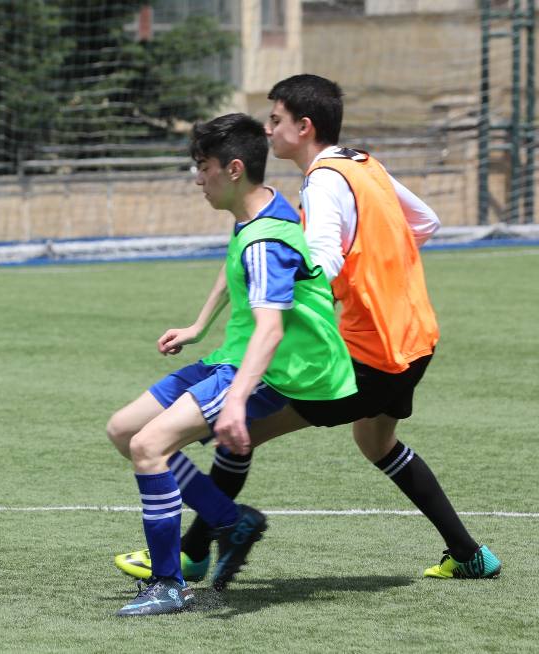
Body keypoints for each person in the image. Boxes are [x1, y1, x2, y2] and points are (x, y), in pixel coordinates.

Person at [114, 74, 500, 584]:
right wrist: (377, 271)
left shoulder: (321, 182)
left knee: (236, 431)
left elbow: (321, 260)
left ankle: (194, 551)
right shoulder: (363, 163)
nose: (268, 130)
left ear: (304, 127)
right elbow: (425, 222)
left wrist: (302, 291)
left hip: (368, 353)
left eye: (275, 120)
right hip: (415, 337)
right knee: (377, 443)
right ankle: (470, 555)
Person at [109, 113, 357, 616]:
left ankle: (169, 583)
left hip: (273, 368)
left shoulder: (266, 241)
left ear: (234, 168)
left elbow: (270, 329)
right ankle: (230, 520)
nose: (198, 179)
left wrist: (237, 401)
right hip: (232, 355)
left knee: (148, 447)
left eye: (204, 168)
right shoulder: (258, 211)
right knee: (124, 429)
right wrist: (199, 325)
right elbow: (235, 271)